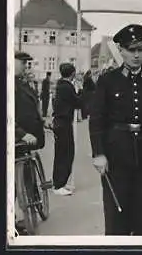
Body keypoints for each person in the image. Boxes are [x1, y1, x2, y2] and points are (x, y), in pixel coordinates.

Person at [89, 24, 142, 235]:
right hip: (116, 155)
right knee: (117, 217)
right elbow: (97, 118)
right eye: (131, 50)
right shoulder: (108, 81)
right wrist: (99, 153)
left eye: (140, 50)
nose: (136, 55)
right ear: (122, 51)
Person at [14, 52, 46, 235]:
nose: (26, 67)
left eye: (27, 63)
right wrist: (21, 133)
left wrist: (43, 122)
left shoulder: (21, 83)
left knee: (24, 176)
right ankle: (15, 219)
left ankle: (27, 207)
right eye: (22, 63)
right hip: (17, 137)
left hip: (28, 138)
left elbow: (33, 106)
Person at [51, 63, 81, 196]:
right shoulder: (66, 87)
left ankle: (60, 182)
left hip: (60, 122)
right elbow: (77, 102)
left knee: (62, 153)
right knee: (66, 153)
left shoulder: (61, 85)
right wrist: (82, 92)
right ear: (72, 73)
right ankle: (59, 184)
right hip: (63, 123)